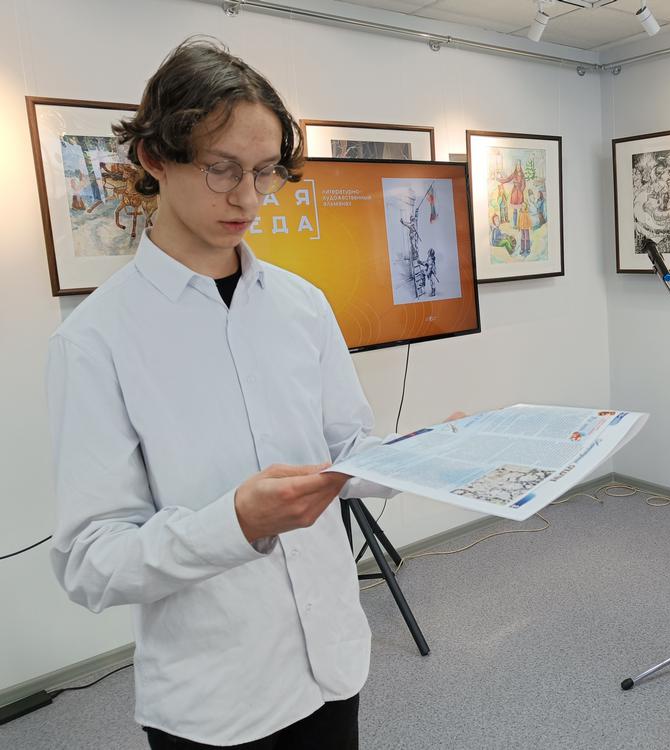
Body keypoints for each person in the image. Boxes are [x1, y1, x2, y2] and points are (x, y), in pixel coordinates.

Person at [47, 38, 408, 748]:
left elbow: (347, 448)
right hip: (216, 700)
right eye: (222, 168)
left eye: (265, 172)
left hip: (333, 661)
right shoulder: (95, 340)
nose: (248, 197)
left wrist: (429, 457)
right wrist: (235, 523)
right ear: (155, 158)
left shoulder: (302, 305)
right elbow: (92, 561)